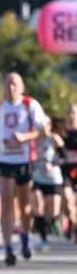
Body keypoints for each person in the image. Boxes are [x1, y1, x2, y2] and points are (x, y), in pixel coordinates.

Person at [0, 72, 47, 266]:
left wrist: (25, 136)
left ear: (21, 87)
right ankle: (8, 248)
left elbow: (43, 131)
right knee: (6, 202)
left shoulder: (30, 104)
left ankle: (24, 238)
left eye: (14, 84)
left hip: (24, 160)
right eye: (7, 84)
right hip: (5, 160)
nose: (10, 87)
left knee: (25, 205)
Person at [30, 119, 65, 251]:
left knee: (53, 212)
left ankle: (54, 223)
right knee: (37, 207)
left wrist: (52, 164)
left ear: (50, 126)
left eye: (45, 125)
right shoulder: (32, 139)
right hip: (38, 178)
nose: (43, 128)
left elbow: (64, 156)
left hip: (53, 179)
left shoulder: (54, 139)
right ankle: (43, 239)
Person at [59, 102, 77, 242]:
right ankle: (72, 223)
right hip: (65, 171)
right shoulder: (61, 132)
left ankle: (73, 225)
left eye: (74, 112)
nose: (71, 115)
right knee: (67, 202)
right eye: (69, 112)